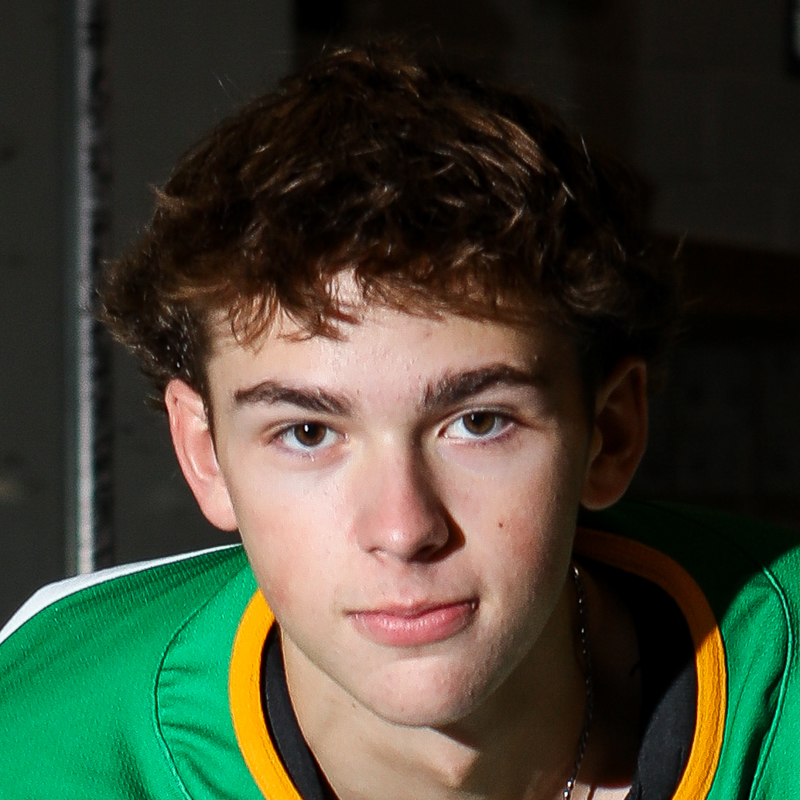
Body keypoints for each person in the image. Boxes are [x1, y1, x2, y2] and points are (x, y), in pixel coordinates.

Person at [0, 40, 798, 800]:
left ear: (610, 433)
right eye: (308, 433)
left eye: (479, 422)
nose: (403, 528)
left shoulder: (781, 693)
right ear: (206, 455)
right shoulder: (45, 742)